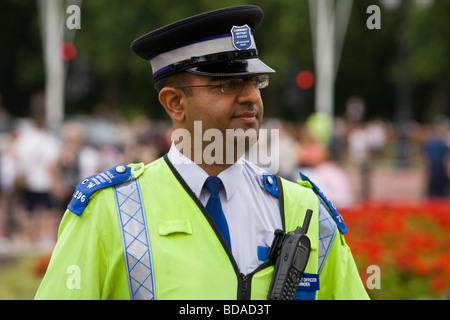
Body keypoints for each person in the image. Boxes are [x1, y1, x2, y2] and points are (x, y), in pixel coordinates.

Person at [35, 5, 368, 300]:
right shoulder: (109, 211)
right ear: (175, 103)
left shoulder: (305, 209)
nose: (252, 96)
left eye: (256, 81)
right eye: (228, 84)